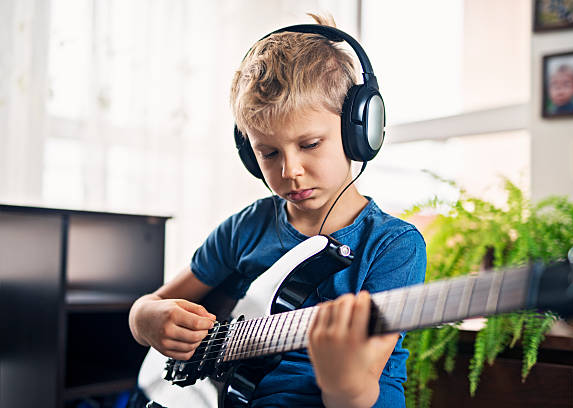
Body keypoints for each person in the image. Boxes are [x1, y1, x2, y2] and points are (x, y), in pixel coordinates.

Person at [129, 14, 426, 408]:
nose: (290, 171)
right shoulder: (246, 228)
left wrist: (341, 376)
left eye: (310, 144)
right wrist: (146, 321)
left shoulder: (393, 246)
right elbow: (152, 303)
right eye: (268, 153)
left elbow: (355, 397)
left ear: (360, 131)